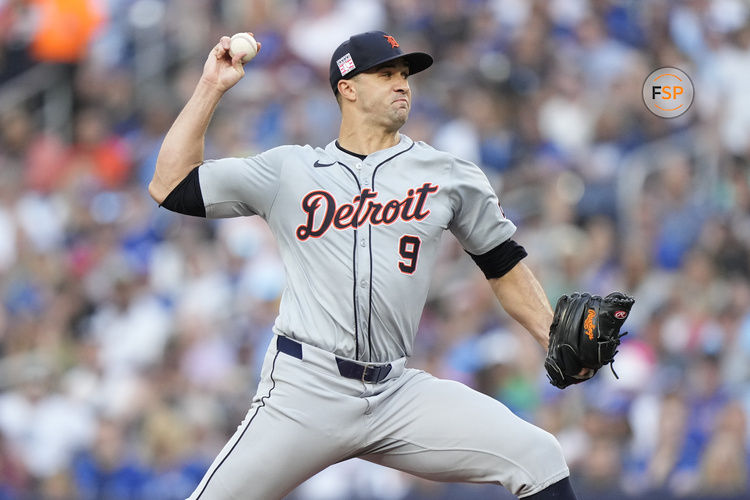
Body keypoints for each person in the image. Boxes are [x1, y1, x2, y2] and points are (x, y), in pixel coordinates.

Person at [149, 30, 581, 500]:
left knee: (539, 457)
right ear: (347, 87)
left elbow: (503, 263)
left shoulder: (448, 174)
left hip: (394, 391)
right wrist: (212, 85)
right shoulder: (289, 171)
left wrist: (553, 336)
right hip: (305, 389)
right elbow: (170, 185)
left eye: (405, 75)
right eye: (386, 74)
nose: (402, 84)